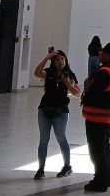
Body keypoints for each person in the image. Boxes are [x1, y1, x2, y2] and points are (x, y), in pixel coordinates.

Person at [81, 42, 110, 192]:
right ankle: (107, 177)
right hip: (108, 118)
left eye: (103, 52)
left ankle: (100, 181)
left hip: (97, 118)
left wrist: (87, 87)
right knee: (105, 148)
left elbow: (93, 92)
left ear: (109, 55)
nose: (101, 54)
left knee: (97, 151)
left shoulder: (104, 72)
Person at [33, 49, 79, 180]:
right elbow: (37, 73)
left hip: (61, 111)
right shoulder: (48, 73)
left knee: (61, 138)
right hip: (44, 110)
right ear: (53, 62)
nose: (60, 61)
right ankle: (41, 169)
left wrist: (67, 83)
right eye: (57, 59)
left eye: (62, 59)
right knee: (44, 139)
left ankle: (67, 166)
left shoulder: (70, 75)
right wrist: (46, 58)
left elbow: (77, 93)